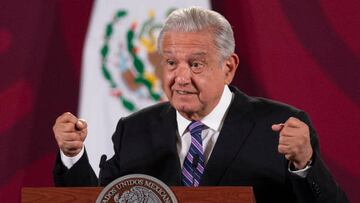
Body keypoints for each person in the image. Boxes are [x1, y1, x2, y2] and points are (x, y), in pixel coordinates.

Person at [53, 7, 348, 203]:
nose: (180, 78)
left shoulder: (280, 126)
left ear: (228, 67)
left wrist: (305, 165)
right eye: (170, 63)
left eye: (196, 64)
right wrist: (72, 156)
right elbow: (102, 199)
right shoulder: (135, 129)